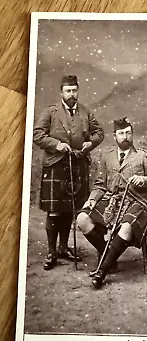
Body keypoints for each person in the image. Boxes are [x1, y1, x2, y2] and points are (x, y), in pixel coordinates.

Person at [77, 117, 147, 289]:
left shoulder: (142, 156)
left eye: (128, 133)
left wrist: (144, 180)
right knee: (82, 219)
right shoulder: (107, 156)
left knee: (126, 227)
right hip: (111, 200)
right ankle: (111, 258)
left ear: (132, 135)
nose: (125, 137)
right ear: (115, 135)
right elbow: (100, 185)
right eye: (121, 133)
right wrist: (92, 200)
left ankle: (102, 271)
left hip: (138, 202)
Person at [33, 75, 104, 270]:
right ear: (61, 92)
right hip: (56, 165)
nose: (72, 94)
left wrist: (91, 143)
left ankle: (64, 248)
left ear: (78, 90)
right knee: (55, 211)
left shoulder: (85, 112)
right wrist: (57, 144)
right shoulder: (51, 112)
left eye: (74, 90)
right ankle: (51, 251)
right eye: (68, 91)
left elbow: (99, 132)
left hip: (78, 165)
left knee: (70, 210)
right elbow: (37, 135)